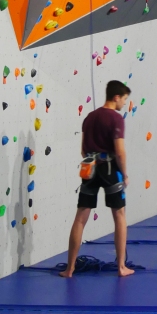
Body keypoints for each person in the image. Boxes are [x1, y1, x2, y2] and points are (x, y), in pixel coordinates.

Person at [60, 80, 134, 278]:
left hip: (89, 168)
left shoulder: (90, 117)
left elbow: (83, 150)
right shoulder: (116, 119)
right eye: (124, 99)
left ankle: (70, 268)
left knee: (80, 217)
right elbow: (120, 151)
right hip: (110, 169)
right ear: (116, 97)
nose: (124, 103)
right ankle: (121, 267)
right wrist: (125, 174)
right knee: (119, 215)